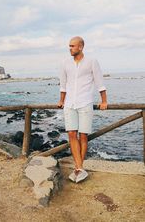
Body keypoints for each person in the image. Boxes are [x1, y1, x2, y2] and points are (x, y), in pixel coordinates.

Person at [57, 36, 107, 183]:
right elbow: (63, 84)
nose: (70, 48)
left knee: (83, 136)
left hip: (85, 102)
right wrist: (61, 100)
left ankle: (79, 167)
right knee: (72, 134)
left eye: (72, 46)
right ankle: (79, 167)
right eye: (69, 46)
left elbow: (100, 82)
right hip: (69, 103)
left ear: (81, 47)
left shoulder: (92, 61)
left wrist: (104, 101)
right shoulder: (65, 63)